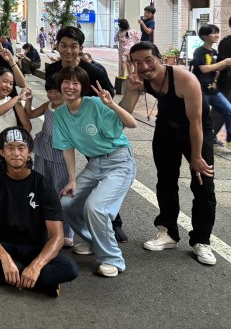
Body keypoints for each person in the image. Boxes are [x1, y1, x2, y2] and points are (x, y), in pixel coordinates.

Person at [120, 42, 216, 265]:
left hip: (196, 130)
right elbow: (124, 114)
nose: (144, 67)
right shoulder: (140, 79)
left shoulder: (185, 80)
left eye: (149, 60)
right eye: (137, 62)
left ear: (160, 58)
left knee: (203, 184)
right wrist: (131, 89)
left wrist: (196, 156)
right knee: (165, 181)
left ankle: (201, 240)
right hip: (165, 128)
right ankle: (168, 232)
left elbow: (196, 122)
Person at [0, 127, 79, 296]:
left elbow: (57, 236)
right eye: (10, 148)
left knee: (70, 268)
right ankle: (37, 282)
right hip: (5, 246)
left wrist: (36, 265)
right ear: (2, 152)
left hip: (35, 249)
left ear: (29, 152)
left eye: (21, 148)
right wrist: (5, 259)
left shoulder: (44, 185)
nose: (16, 153)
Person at [54, 66, 137, 278]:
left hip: (119, 161)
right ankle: (95, 242)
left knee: (95, 207)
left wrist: (111, 104)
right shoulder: (61, 114)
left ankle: (112, 259)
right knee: (67, 203)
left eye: (75, 83)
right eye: (66, 82)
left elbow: (131, 123)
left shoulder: (95, 104)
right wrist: (72, 180)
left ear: (82, 87)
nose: (70, 87)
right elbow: (67, 148)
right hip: (95, 164)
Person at [24, 77, 75, 246]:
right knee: (42, 189)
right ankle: (43, 228)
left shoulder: (69, 108)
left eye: (56, 91)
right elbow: (30, 114)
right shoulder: (48, 105)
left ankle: (67, 232)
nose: (52, 95)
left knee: (62, 191)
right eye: (49, 91)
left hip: (61, 153)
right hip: (43, 150)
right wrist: (29, 100)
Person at [0, 68, 32, 165]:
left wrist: (19, 142)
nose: (8, 86)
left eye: (11, 83)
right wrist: (17, 97)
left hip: (13, 143)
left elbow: (27, 126)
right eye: (5, 81)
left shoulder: (15, 102)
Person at [191, 23, 231, 147]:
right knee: (202, 116)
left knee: (229, 111)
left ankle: (229, 139)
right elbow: (203, 69)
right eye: (213, 33)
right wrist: (224, 62)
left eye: (217, 32)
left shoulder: (214, 51)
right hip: (201, 90)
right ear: (204, 36)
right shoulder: (199, 51)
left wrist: (222, 67)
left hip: (213, 90)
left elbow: (216, 68)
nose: (217, 35)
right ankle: (202, 140)